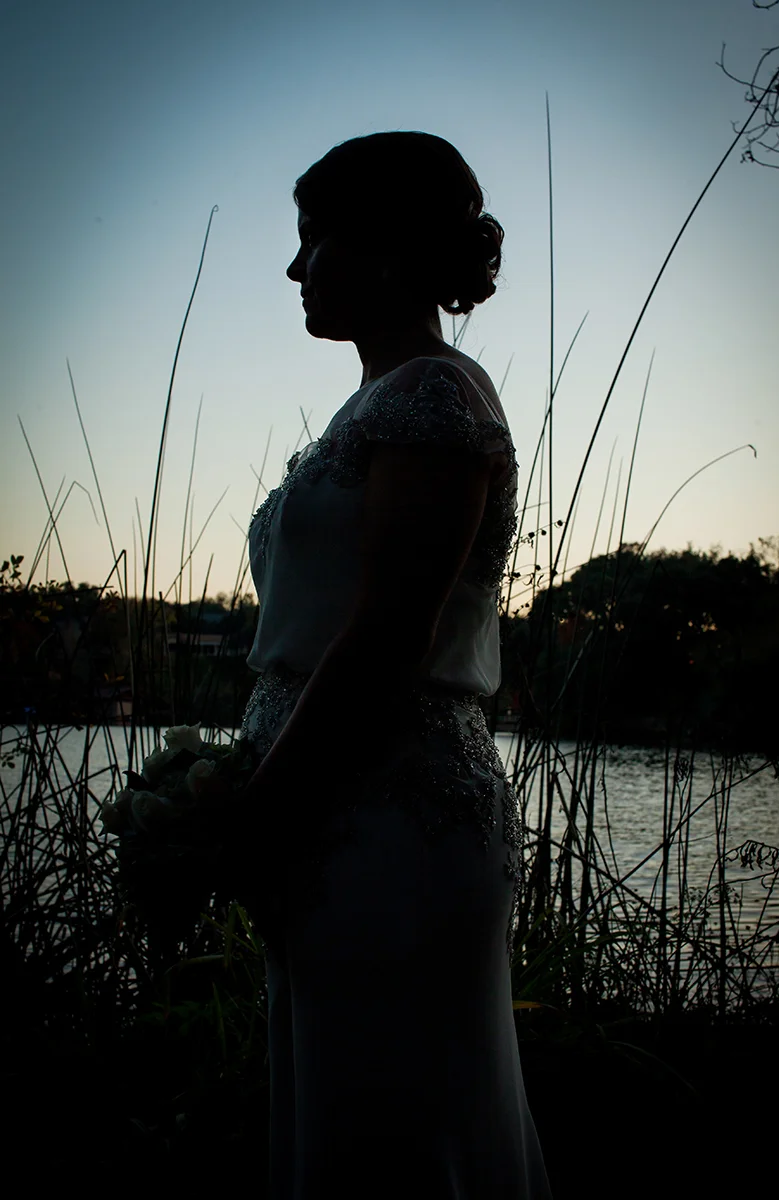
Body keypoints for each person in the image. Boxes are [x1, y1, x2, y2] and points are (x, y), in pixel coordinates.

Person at [236, 131, 552, 1199]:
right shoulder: (377, 404)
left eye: (311, 238)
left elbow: (385, 639)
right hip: (333, 816)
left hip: (382, 817)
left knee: (397, 1133)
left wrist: (259, 815)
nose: (295, 269)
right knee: (345, 1112)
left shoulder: (434, 399)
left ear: (378, 246)